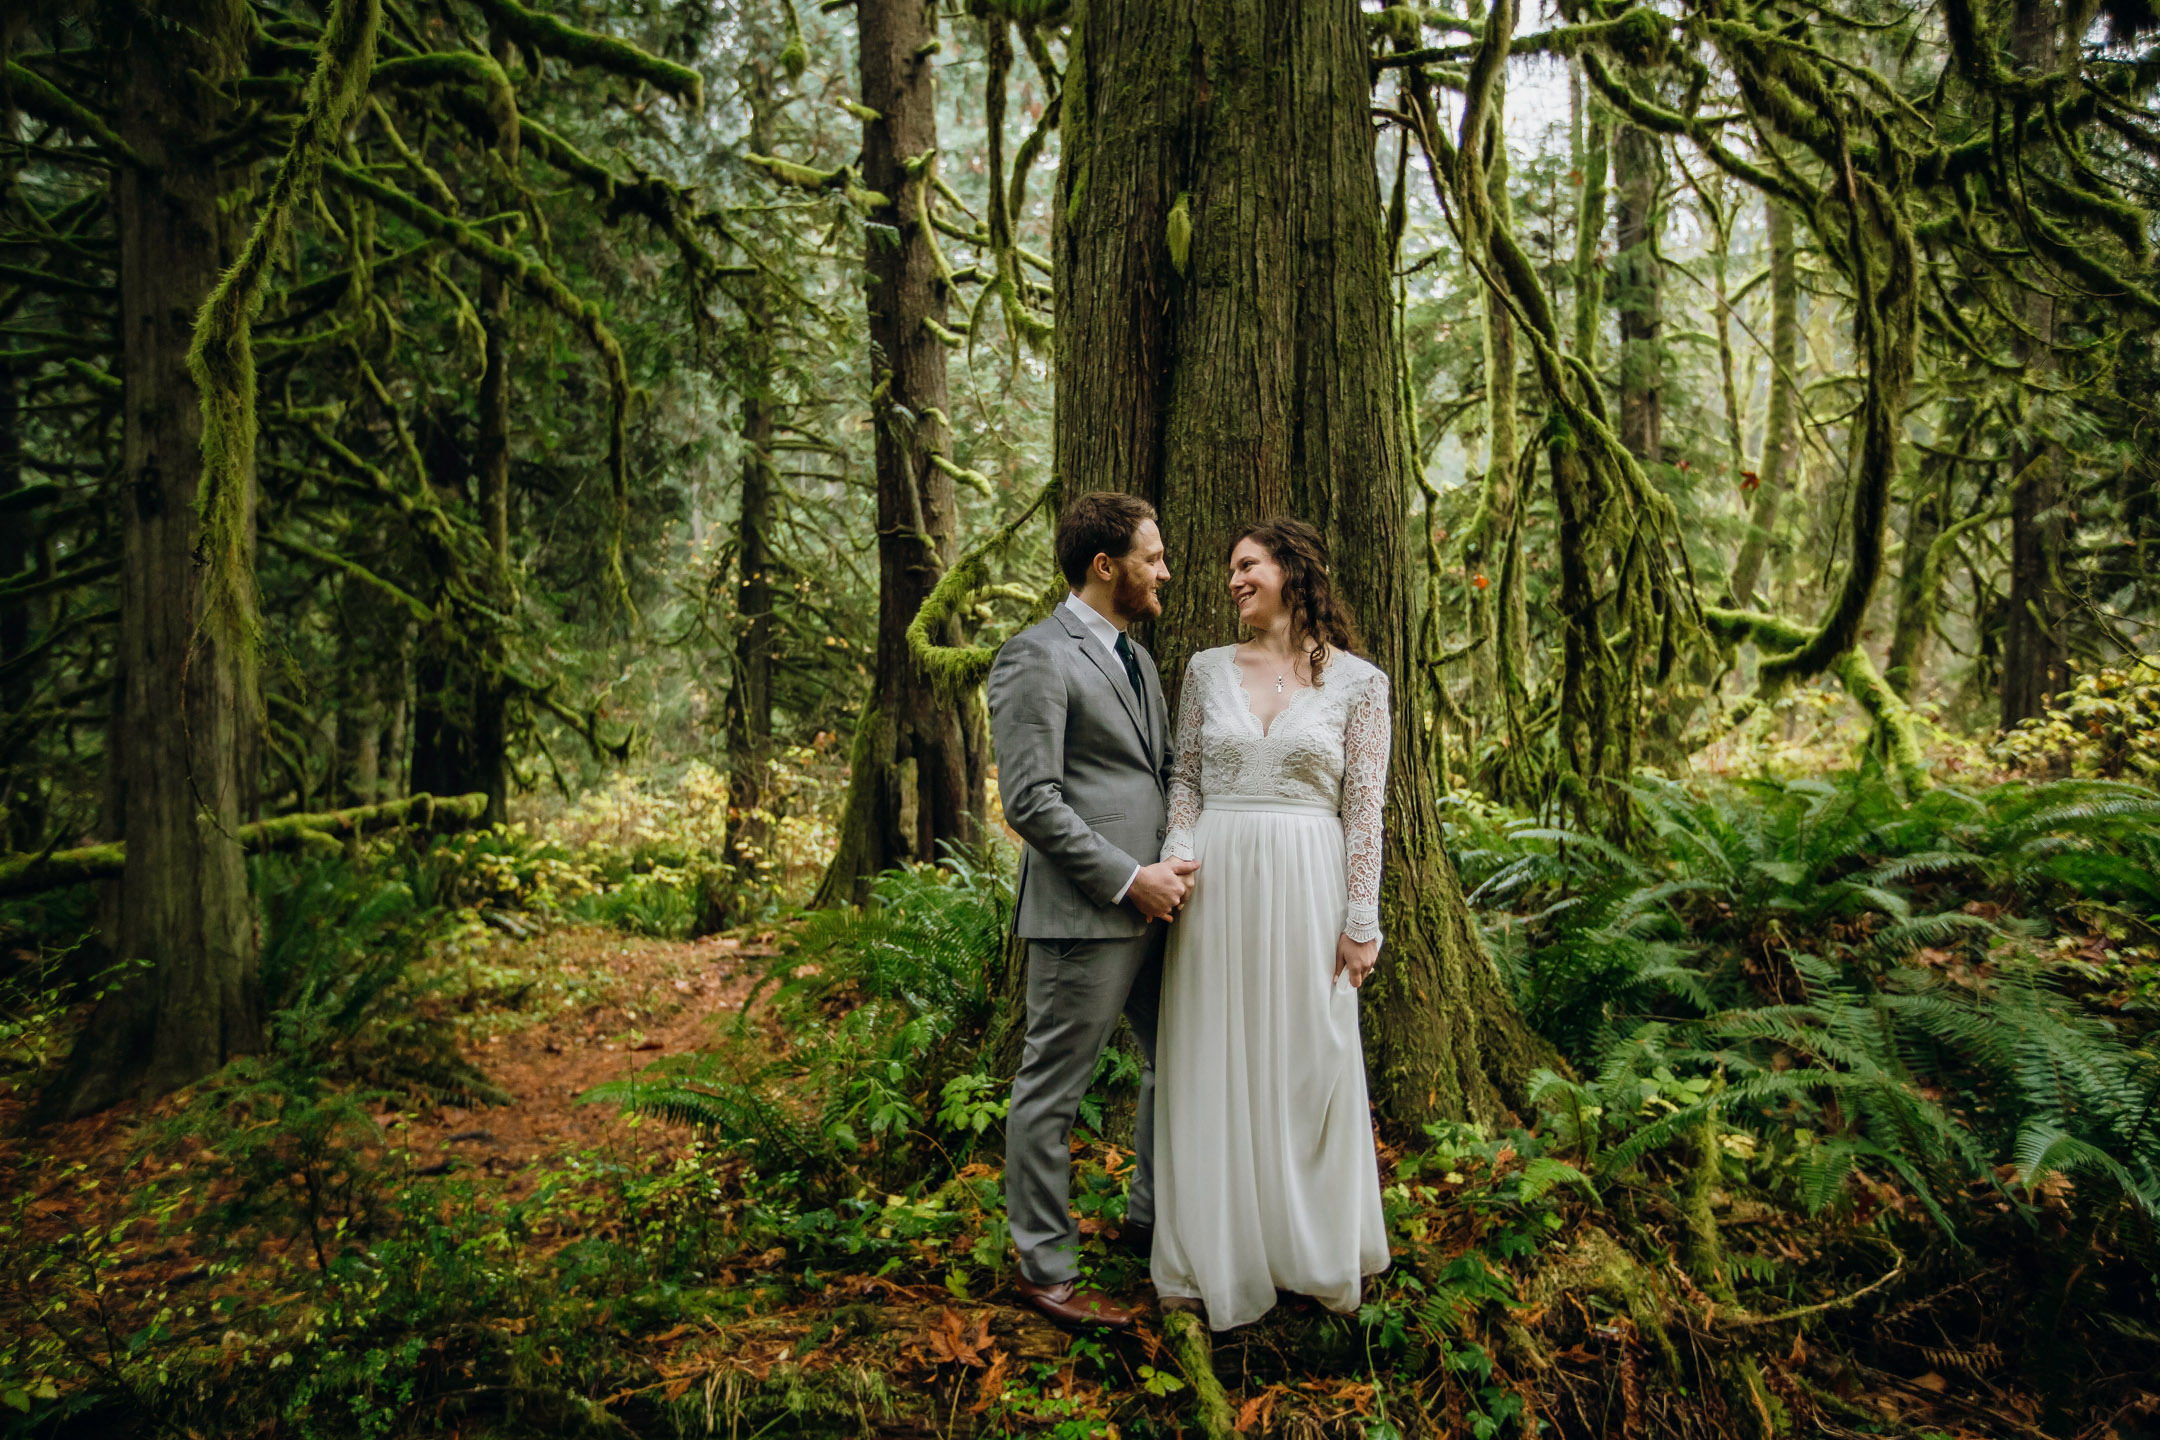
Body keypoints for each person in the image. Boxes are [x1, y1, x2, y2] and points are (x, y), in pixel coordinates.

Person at [1150, 516, 1392, 1330]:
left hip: (1309, 883)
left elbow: (1365, 808)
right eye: (1230, 568)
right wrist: (1180, 851)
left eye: (1247, 563)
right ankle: (1208, 1253)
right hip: (1215, 887)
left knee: (1306, 1061)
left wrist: (1363, 918)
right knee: (1213, 1056)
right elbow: (1185, 777)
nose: (1233, 580)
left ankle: (1309, 1247)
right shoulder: (1205, 669)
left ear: (1292, 570)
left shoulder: (1361, 683)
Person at [985, 492, 1199, 1330]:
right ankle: (1045, 1269)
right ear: (1106, 566)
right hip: (1087, 914)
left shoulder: (1139, 661)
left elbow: (1165, 768)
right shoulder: (1034, 656)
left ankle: (1149, 1222)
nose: (1165, 572)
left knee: (1174, 1066)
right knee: (1052, 1091)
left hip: (1163, 910)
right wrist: (1127, 878)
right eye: (1154, 557)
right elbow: (1032, 802)